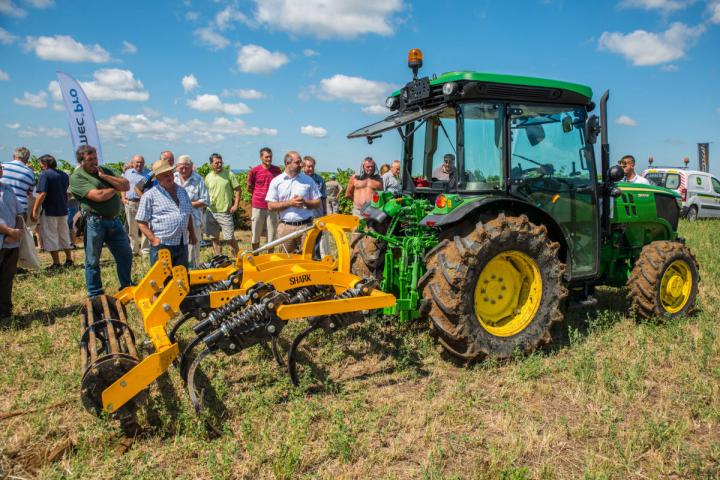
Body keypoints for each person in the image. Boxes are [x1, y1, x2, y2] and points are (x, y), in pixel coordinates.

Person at [70, 145, 133, 298]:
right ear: (81, 162)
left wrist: (105, 178)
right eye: (89, 159)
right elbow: (98, 196)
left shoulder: (104, 170)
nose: (94, 162)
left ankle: (126, 286)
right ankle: (95, 293)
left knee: (125, 254)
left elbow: (126, 185)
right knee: (92, 260)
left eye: (95, 158)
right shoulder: (77, 177)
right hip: (94, 222)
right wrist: (115, 187)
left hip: (114, 221)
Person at [136, 158, 196, 268]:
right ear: (158, 178)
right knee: (163, 280)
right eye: (166, 175)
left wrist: (192, 233)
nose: (170, 177)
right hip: (162, 244)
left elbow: (188, 215)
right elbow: (141, 221)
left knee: (181, 277)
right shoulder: (149, 195)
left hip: (182, 243)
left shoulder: (182, 191)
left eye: (171, 174)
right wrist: (153, 239)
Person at [266, 151, 321, 253]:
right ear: (287, 163)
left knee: (307, 260)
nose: (301, 165)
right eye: (298, 162)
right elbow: (270, 206)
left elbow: (318, 202)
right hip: (286, 228)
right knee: (285, 260)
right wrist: (290, 203)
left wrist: (305, 202)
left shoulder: (308, 180)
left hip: (306, 227)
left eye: (301, 162)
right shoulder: (277, 181)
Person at [30, 154, 73, 269]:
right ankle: (69, 259)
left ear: (44, 164)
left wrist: (35, 210)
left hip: (49, 210)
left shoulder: (44, 175)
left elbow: (42, 194)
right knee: (64, 234)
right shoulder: (64, 175)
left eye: (40, 164)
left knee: (50, 235)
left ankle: (56, 263)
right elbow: (69, 193)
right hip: (63, 209)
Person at [174, 155, 209, 267]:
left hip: (194, 220)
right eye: (181, 167)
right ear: (176, 167)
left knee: (193, 249)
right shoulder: (172, 178)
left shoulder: (199, 180)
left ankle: (193, 271)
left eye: (186, 167)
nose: (183, 170)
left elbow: (205, 201)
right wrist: (192, 202)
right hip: (174, 221)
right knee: (177, 249)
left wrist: (186, 203)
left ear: (191, 166)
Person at [205, 153, 241, 256]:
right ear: (211, 164)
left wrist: (236, 205)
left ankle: (237, 261)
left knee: (230, 239)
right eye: (217, 163)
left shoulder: (229, 174)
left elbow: (238, 190)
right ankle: (219, 260)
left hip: (225, 212)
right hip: (210, 212)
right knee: (214, 239)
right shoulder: (208, 177)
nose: (220, 165)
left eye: (221, 162)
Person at [0, 163, 23, 320]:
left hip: (12, 243)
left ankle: (5, 312)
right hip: (5, 238)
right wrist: (9, 232)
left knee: (7, 279)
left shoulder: (8, 189)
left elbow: (19, 213)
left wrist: (17, 231)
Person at [247, 147, 281, 251]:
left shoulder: (277, 170)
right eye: (266, 157)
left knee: (271, 235)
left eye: (270, 157)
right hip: (258, 205)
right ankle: (255, 256)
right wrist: (259, 196)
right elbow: (250, 187)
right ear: (261, 157)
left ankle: (269, 257)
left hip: (272, 206)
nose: (269, 159)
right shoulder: (254, 171)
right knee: (255, 234)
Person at [122, 154, 150, 256]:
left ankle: (145, 250)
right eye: (137, 162)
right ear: (132, 163)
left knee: (145, 227)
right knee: (132, 228)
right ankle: (134, 250)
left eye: (141, 162)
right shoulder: (128, 173)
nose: (139, 164)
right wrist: (123, 198)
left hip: (144, 203)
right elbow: (123, 186)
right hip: (131, 203)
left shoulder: (148, 173)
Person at [2, 146, 35, 220]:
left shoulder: (3, 166)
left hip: (2, 205)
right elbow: (29, 192)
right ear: (27, 159)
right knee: (19, 230)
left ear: (14, 156)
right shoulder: (30, 173)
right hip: (20, 208)